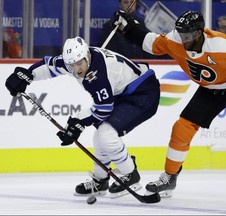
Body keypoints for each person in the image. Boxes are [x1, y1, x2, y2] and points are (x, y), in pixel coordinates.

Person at [112, 10, 226, 204]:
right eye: (180, 34)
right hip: (211, 88)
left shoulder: (221, 45)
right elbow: (150, 43)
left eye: (187, 35)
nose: (183, 39)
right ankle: (169, 178)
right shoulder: (175, 40)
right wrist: (128, 27)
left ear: (199, 33)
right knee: (182, 127)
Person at [5, 36, 160, 198]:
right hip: (122, 93)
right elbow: (49, 66)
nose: (77, 70)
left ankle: (131, 175)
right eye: (72, 65)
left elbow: (104, 108)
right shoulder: (75, 61)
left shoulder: (97, 74)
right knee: (100, 135)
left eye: (79, 64)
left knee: (106, 133)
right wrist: (27, 75)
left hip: (143, 93)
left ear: (87, 56)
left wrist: (78, 122)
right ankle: (100, 181)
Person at [97, 0, 170, 59]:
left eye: (132, 2)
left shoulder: (141, 24)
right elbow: (108, 52)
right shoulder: (110, 26)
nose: (129, 5)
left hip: (141, 65)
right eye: (125, 2)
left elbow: (148, 47)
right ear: (120, 4)